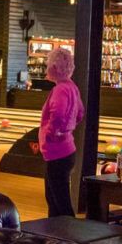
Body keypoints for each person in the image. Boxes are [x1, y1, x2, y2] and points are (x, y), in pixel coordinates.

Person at [39, 46, 84, 217]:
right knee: (55, 197)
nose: (47, 68)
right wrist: (68, 128)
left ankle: (65, 235)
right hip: (65, 150)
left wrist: (53, 133)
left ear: (55, 68)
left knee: (59, 201)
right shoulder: (71, 87)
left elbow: (57, 114)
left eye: (48, 64)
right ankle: (56, 234)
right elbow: (80, 112)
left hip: (57, 151)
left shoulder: (60, 89)